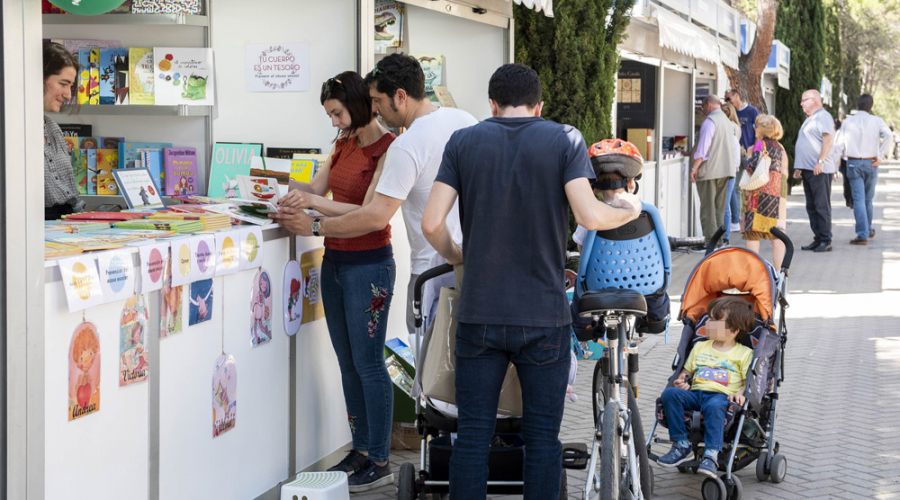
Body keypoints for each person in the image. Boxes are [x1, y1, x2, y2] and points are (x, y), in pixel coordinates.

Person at [421, 63, 642, 499]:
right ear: (539, 105)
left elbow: (431, 224)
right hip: (543, 318)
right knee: (542, 442)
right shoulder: (564, 139)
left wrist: (458, 256)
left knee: (472, 439)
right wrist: (631, 210)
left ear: (492, 103)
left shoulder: (464, 141)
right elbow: (589, 215)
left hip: (479, 315)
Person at [271, 53, 477, 342]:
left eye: (378, 101)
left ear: (401, 96)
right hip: (474, 265)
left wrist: (313, 226)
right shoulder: (466, 120)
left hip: (429, 272)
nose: (375, 109)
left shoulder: (404, 146)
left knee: (428, 372)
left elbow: (375, 215)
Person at [275, 71, 398, 492]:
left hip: (370, 265)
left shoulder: (388, 149)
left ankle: (380, 458)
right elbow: (316, 189)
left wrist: (311, 203)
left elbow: (366, 210)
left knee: (368, 363)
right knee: (348, 364)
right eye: (330, 115)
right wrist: (279, 190)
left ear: (359, 103)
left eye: (337, 113)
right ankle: (360, 449)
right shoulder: (342, 144)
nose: (334, 122)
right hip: (336, 263)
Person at [571, 139, 670, 330]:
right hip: (646, 282)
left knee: (579, 290)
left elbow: (583, 253)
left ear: (595, 187)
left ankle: (583, 327)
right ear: (631, 183)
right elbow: (659, 248)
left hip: (598, 284)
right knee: (657, 292)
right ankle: (655, 318)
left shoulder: (592, 215)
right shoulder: (647, 213)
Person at [655, 296, 755, 478]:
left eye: (715, 320)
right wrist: (681, 381)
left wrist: (740, 394)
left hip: (721, 396)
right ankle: (681, 443)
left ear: (733, 330)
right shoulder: (700, 347)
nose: (707, 322)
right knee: (670, 394)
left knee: (714, 406)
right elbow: (686, 371)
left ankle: (711, 454)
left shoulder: (744, 353)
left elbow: (746, 382)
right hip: (696, 393)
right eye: (709, 318)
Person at [830, 94, 893, 246]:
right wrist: (881, 155)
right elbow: (889, 135)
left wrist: (835, 166)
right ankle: (868, 229)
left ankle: (862, 234)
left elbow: (839, 145)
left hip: (853, 164)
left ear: (857, 105)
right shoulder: (877, 120)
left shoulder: (848, 121)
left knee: (858, 199)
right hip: (872, 163)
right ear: (871, 106)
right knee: (868, 200)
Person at [740, 115, 789, 270]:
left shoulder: (760, 144)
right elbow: (785, 172)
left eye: (756, 126)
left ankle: (752, 271)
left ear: (762, 129)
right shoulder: (781, 148)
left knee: (753, 232)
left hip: (759, 195)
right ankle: (780, 272)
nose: (754, 128)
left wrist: (748, 156)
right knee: (778, 234)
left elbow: (751, 168)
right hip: (778, 195)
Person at [43, 42, 85, 220]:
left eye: (71, 86)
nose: (68, 95)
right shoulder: (11, 132)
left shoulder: (52, 128)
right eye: (63, 83)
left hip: (66, 223)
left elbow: (71, 193)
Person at [794, 90, 835, 253]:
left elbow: (827, 138)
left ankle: (826, 240)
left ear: (813, 100)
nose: (801, 104)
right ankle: (818, 238)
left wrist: (820, 161)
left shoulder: (823, 116)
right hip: (808, 170)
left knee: (821, 205)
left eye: (804, 100)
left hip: (819, 170)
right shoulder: (810, 119)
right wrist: (799, 167)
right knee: (812, 206)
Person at [691, 95, 735, 246]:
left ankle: (710, 242)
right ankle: (720, 241)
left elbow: (703, 148)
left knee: (708, 209)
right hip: (725, 170)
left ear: (708, 104)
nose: (703, 111)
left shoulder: (710, 121)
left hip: (710, 171)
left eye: (703, 107)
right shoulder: (727, 121)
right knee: (719, 209)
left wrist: (694, 167)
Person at [724, 89, 760, 232]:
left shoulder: (751, 111)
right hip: (736, 155)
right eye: (726, 99)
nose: (728, 102)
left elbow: (757, 132)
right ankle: (737, 220)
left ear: (736, 95)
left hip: (748, 154)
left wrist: (755, 152)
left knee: (750, 187)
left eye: (729, 98)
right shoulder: (731, 113)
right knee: (737, 188)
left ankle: (748, 219)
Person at [720, 103, 743, 245]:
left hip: (728, 172)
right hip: (729, 171)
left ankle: (726, 236)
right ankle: (728, 230)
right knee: (728, 200)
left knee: (725, 204)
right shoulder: (735, 130)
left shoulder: (731, 134)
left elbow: (734, 158)